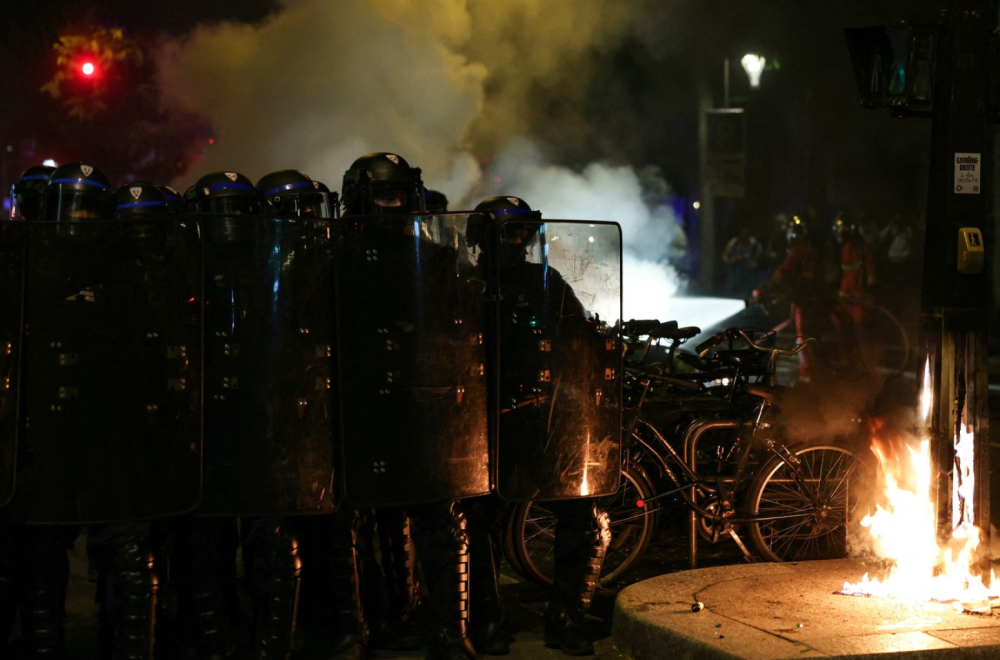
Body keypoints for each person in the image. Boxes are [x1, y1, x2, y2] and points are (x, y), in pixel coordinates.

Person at [470, 196, 613, 656]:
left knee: (585, 518)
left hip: (545, 419)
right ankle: (486, 619)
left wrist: (602, 348)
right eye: (506, 234)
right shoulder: (464, 285)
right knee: (474, 523)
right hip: (487, 424)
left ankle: (566, 617)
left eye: (520, 233)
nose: (516, 242)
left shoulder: (545, 280)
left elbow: (579, 335)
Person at [755, 214, 825, 382]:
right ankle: (822, 371)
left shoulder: (799, 249)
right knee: (813, 334)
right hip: (813, 297)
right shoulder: (815, 247)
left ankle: (809, 376)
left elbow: (784, 272)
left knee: (803, 335)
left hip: (805, 298)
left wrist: (765, 287)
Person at [721, 227, 762, 298]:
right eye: (743, 235)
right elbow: (725, 255)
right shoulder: (734, 242)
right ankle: (729, 294)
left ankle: (748, 295)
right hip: (734, 266)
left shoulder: (754, 244)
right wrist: (729, 262)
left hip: (749, 267)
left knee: (750, 280)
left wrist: (752, 263)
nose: (744, 238)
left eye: (747, 236)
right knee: (731, 279)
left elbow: (758, 257)